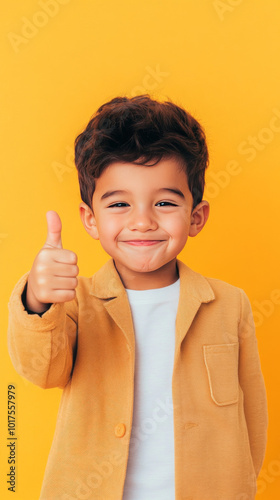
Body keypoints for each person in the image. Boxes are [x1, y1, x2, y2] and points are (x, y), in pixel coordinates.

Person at [7, 94, 268, 500]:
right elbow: (42, 371)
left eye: (165, 202)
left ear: (195, 217)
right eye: (119, 204)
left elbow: (253, 416)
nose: (143, 221)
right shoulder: (75, 300)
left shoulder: (229, 303)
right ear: (90, 220)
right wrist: (38, 301)